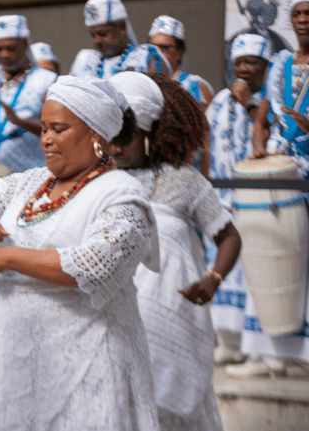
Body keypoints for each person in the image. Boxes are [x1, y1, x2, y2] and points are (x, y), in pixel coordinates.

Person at [0, 76, 159, 430]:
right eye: (43, 128)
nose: (46, 138)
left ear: (96, 136)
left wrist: (8, 257)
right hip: (15, 359)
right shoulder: (30, 182)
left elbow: (95, 266)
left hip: (87, 360)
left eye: (59, 129)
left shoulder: (122, 194)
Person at [106, 72, 242, 430]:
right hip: (118, 316)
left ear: (150, 133)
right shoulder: (101, 182)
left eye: (125, 139)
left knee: (169, 409)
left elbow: (228, 236)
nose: (115, 148)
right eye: (109, 139)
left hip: (177, 315)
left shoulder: (184, 180)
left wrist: (212, 279)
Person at [230, 0, 309, 377]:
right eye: (298, 14)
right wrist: (260, 146)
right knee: (267, 257)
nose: (304, 20)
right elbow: (262, 116)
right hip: (280, 169)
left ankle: (300, 356)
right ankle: (268, 354)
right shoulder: (280, 63)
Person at [205, 33, 272, 365]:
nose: (244, 69)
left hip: (258, 204)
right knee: (224, 274)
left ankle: (259, 353)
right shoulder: (219, 100)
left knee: (256, 276)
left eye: (253, 64)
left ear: (265, 68)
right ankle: (230, 344)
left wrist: (249, 103)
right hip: (221, 203)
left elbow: (275, 139)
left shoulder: (272, 101)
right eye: (239, 63)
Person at [0, 15, 58, 173]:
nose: (4, 55)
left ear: (25, 44)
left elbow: (56, 130)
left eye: (11, 48)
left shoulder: (46, 80)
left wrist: (20, 122)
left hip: (30, 173)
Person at [70, 0, 170, 79]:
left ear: (122, 27)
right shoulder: (85, 61)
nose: (97, 40)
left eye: (103, 34)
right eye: (93, 35)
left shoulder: (146, 57)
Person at [148, 16, 214, 108]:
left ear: (179, 52)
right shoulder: (144, 83)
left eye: (164, 48)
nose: (157, 53)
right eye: (152, 48)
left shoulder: (196, 87)